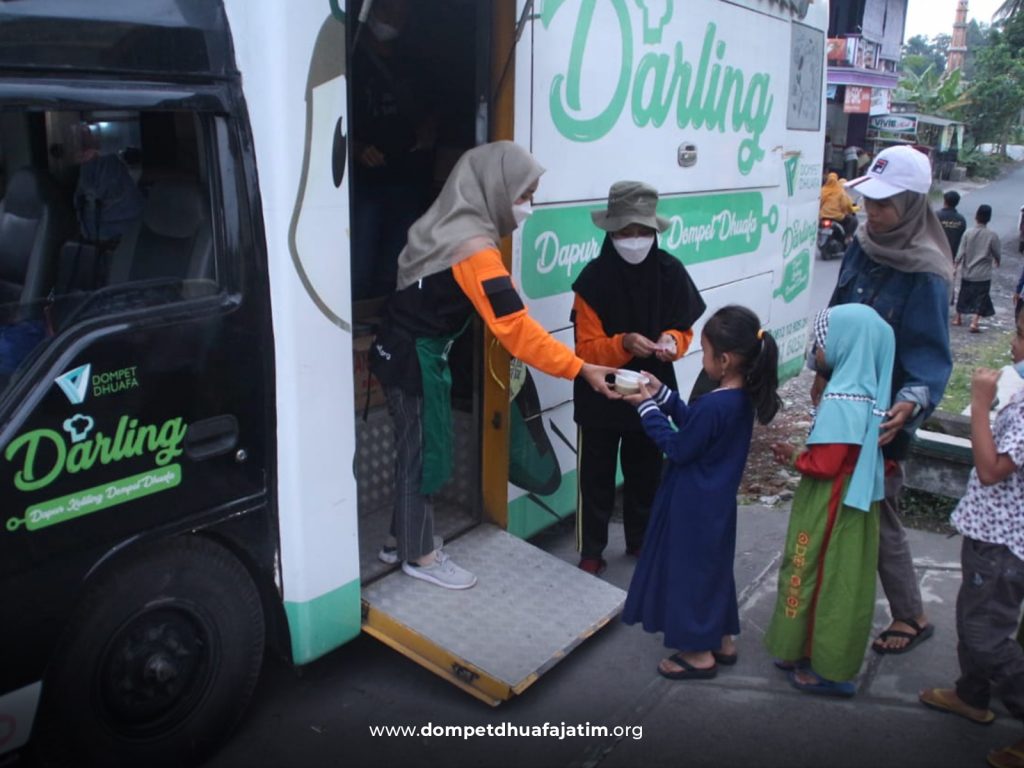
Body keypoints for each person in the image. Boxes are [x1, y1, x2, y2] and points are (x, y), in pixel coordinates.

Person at [369, 141, 618, 589]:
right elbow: (516, 330)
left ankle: (398, 539)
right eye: (524, 195)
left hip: (404, 351)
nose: (528, 206)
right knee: (423, 455)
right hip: (413, 360)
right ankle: (420, 557)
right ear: (494, 187)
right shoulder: (473, 248)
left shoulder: (446, 221)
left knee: (416, 449)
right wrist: (581, 369)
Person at [825, 144, 953, 654]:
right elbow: (838, 308)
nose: (870, 214)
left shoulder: (927, 272)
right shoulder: (862, 242)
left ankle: (911, 614)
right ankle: (832, 596)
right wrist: (823, 361)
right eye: (868, 202)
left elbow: (930, 354)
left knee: (878, 511)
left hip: (884, 417)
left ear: (913, 206)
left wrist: (909, 404)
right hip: (840, 399)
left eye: (882, 205)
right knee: (833, 501)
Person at [620, 306, 780, 679]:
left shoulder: (714, 405)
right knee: (713, 570)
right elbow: (696, 426)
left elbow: (678, 447)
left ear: (723, 361)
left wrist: (645, 407)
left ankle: (697, 653)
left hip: (692, 504)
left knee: (689, 574)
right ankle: (722, 639)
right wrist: (663, 395)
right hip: (716, 504)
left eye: (705, 353)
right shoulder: (737, 401)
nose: (703, 360)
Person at [571, 181, 705, 575]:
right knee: (594, 476)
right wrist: (624, 343)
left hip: (652, 390)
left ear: (654, 233)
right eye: (625, 232)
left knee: (646, 472)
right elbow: (586, 349)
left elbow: (685, 330)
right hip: (601, 392)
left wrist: (671, 342)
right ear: (610, 233)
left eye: (642, 232)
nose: (634, 240)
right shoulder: (592, 279)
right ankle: (591, 550)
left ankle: (641, 541)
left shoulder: (671, 272)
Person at [766, 305, 895, 698]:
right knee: (840, 581)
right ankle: (807, 652)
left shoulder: (844, 397)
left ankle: (820, 665)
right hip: (853, 502)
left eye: (821, 343)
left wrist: (789, 453)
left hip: (830, 506)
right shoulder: (870, 391)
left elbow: (823, 463)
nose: (816, 353)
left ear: (844, 344)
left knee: (814, 574)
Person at [918, 309, 1024, 768]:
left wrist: (980, 403)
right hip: (988, 531)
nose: (1014, 345)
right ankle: (971, 695)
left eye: (1021, 335)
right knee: (971, 617)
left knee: (986, 636)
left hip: (1004, 541)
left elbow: (991, 468)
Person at [350, 0, 435, 300]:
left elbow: (432, 112)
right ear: (371, 11)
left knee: (395, 268)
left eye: (403, 12)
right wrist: (355, 148)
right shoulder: (350, 58)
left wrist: (427, 132)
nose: (396, 18)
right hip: (364, 183)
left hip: (406, 177)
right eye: (390, 10)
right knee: (358, 267)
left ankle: (387, 334)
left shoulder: (412, 60)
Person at [954, 204, 1002, 333]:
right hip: (983, 274)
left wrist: (956, 265)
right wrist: (998, 260)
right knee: (981, 297)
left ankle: (958, 318)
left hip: (967, 272)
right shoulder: (992, 235)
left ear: (976, 216)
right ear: (989, 218)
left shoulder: (968, 233)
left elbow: (960, 252)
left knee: (963, 294)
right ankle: (974, 322)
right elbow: (997, 252)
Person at [819, 172, 858, 242]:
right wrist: (847, 211)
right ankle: (848, 237)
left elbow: (820, 202)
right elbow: (845, 205)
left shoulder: (823, 190)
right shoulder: (840, 192)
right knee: (854, 221)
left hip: (823, 216)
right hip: (837, 217)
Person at [937, 190, 967, 260]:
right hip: (953, 255)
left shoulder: (936, 216)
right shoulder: (961, 219)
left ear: (944, 201)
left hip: (937, 253)